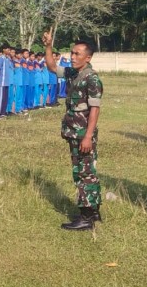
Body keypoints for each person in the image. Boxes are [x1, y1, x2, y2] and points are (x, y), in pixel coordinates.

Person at [43, 31, 104, 231]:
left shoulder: (91, 79)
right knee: (87, 171)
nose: (73, 57)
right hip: (73, 131)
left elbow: (95, 109)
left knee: (83, 173)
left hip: (82, 134)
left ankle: (86, 218)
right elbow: (52, 67)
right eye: (72, 53)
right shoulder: (73, 73)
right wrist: (48, 46)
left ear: (88, 57)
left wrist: (87, 136)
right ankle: (94, 211)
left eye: (78, 54)